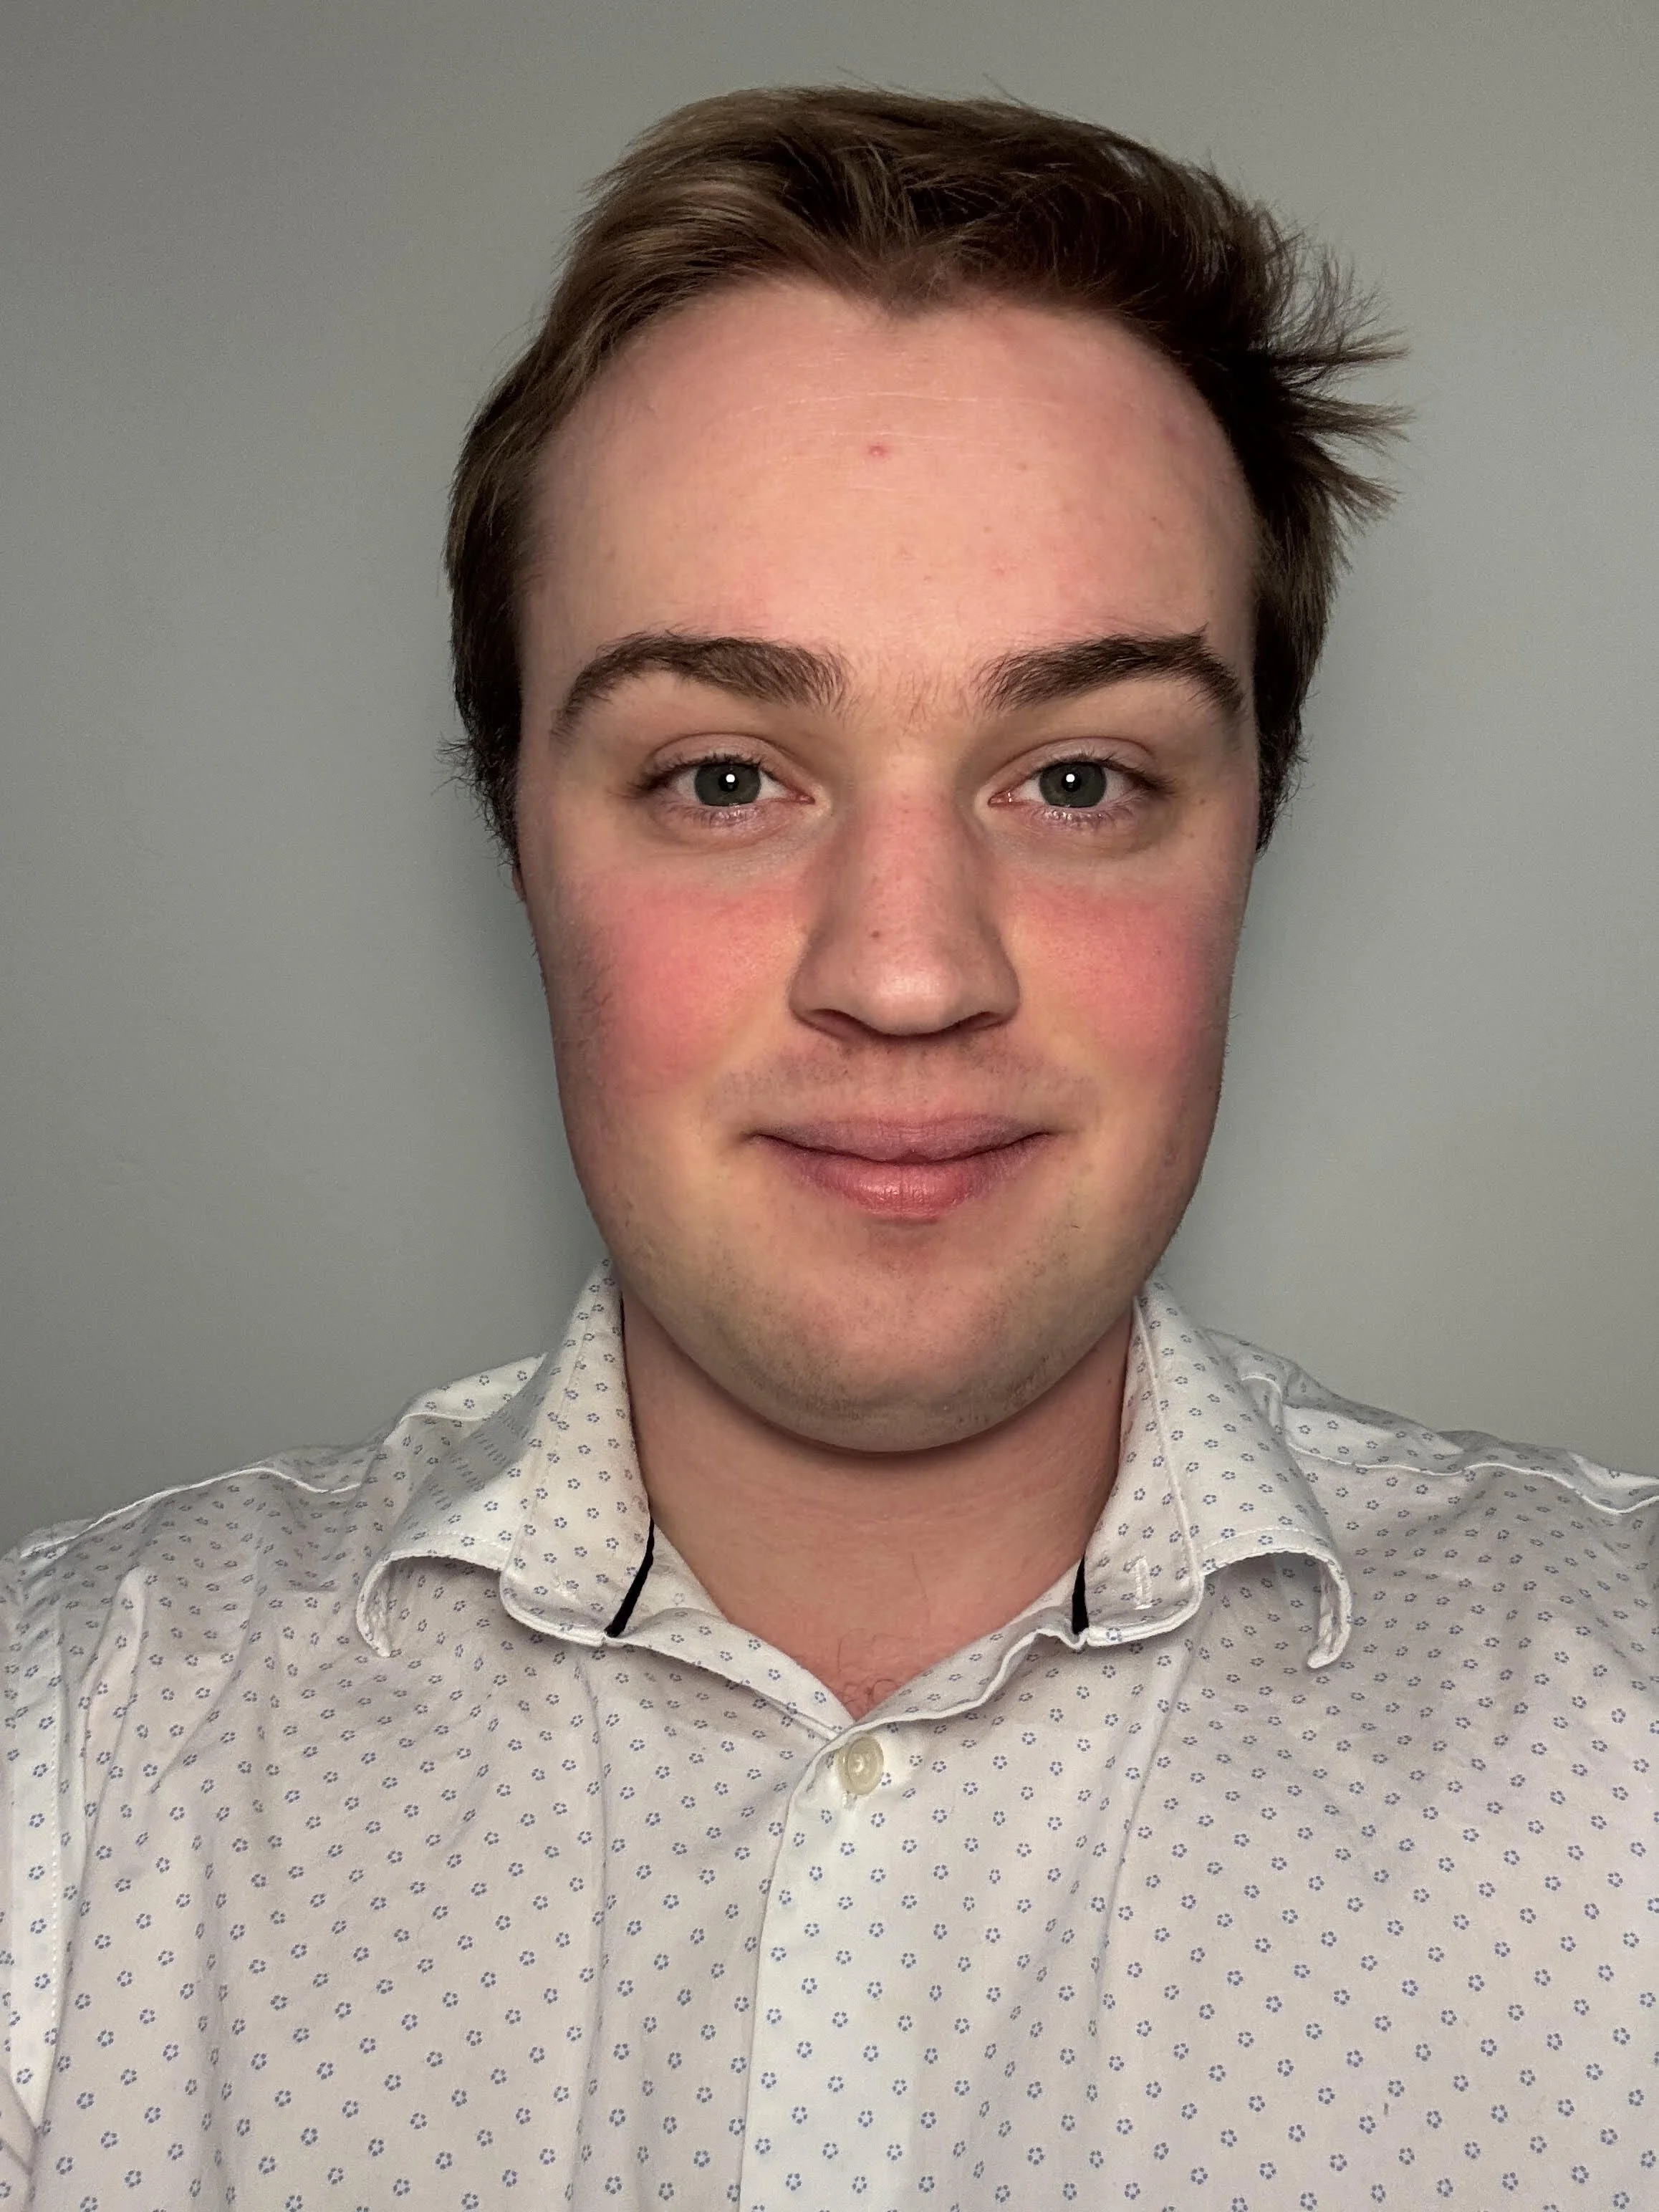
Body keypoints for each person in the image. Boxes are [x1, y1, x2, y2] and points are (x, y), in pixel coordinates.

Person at [1, 84, 1651, 2212]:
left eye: (1077, 779)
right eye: (721, 779)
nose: (904, 972)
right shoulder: (61, 1760)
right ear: (518, 841)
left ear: (1253, 830)